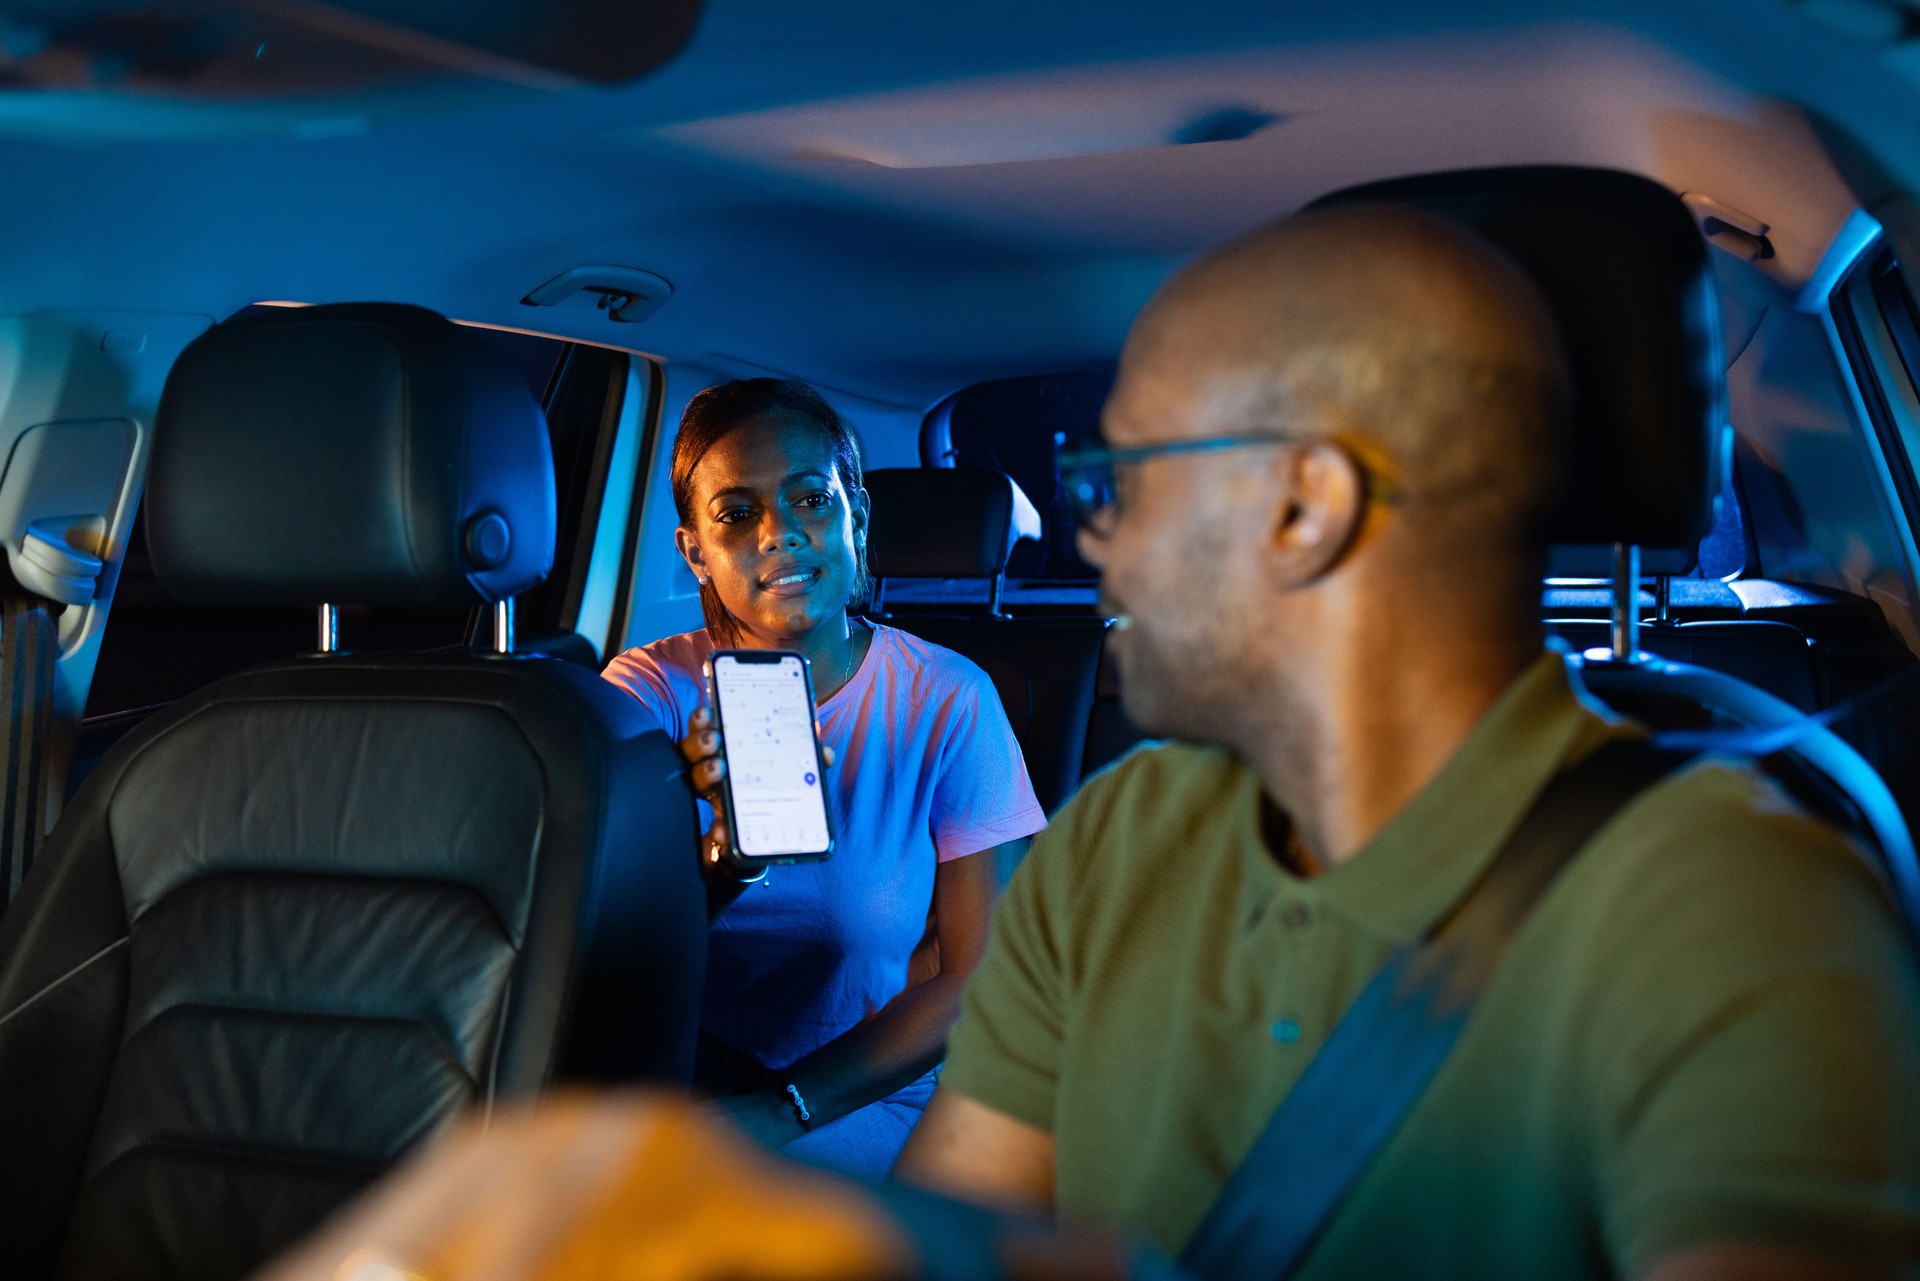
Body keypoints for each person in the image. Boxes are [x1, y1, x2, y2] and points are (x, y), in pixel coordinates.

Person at [895, 205, 1920, 1279]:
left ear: (1305, 507)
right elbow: (948, 1239)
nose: (1098, 542)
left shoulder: (1727, 907)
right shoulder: (1115, 836)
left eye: (1124, 484)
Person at [603, 378, 1046, 1180]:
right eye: (736, 514)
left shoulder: (948, 699)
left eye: (811, 499)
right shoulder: (647, 693)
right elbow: (598, 943)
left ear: (858, 517)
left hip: (870, 1084)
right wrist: (727, 858)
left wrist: (779, 1112)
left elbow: (981, 982)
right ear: (695, 550)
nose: (779, 535)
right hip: (678, 1072)